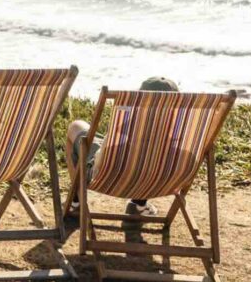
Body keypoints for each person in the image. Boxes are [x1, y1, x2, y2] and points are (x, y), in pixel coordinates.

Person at [65, 75, 180, 216]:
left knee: (76, 126)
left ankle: (77, 202)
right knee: (146, 157)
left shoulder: (126, 125)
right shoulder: (181, 132)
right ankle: (139, 204)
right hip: (155, 183)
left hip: (109, 179)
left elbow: (99, 163)